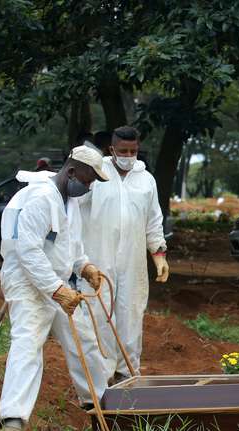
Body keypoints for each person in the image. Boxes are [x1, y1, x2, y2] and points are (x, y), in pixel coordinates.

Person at [0, 146, 110, 431]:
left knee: (83, 340)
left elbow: (70, 246)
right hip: (27, 282)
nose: (88, 187)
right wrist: (56, 290)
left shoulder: (68, 201)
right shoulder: (40, 198)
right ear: (72, 172)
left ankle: (101, 406)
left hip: (58, 283)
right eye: (88, 181)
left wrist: (84, 267)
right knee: (28, 341)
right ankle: (13, 418)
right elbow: (28, 250)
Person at [79, 126, 169, 383]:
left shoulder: (146, 180)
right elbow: (74, 209)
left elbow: (154, 220)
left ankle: (128, 373)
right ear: (112, 150)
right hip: (98, 256)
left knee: (131, 315)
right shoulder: (97, 174)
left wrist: (158, 253)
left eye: (133, 151)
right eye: (123, 151)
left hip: (133, 260)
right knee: (100, 314)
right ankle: (101, 376)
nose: (129, 156)